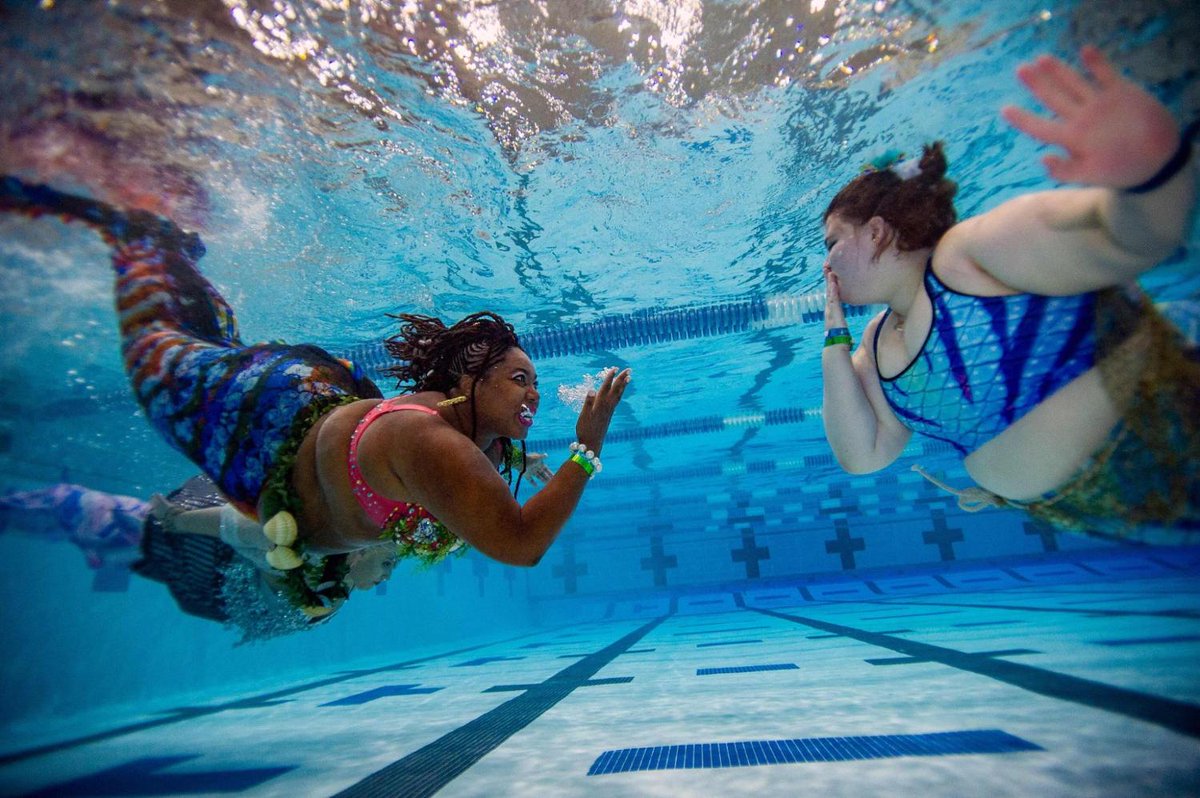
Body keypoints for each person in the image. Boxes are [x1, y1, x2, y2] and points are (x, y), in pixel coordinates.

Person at [0, 176, 630, 640]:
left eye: (535, 383)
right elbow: (521, 544)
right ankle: (134, 235)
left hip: (300, 415)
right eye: (519, 379)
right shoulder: (430, 442)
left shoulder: (468, 438)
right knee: (157, 357)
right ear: (471, 377)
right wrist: (587, 449)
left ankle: (170, 251)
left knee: (206, 343)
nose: (534, 394)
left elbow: (483, 480)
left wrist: (524, 455)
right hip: (257, 422)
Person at [820, 46, 1198, 540]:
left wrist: (1150, 173)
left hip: (1171, 424)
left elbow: (1126, 241)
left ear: (875, 232)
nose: (826, 264)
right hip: (1132, 503)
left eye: (832, 243)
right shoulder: (875, 343)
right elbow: (863, 455)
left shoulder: (968, 256)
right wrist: (835, 342)